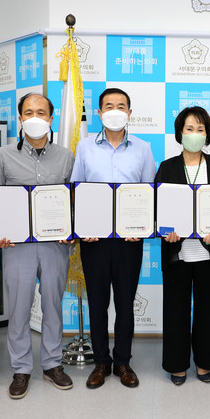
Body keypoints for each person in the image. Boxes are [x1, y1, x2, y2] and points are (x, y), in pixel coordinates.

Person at [0, 93, 75, 399]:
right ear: (20, 118)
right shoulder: (3, 155)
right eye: (28, 112)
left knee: (53, 306)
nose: (35, 117)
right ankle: (21, 368)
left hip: (55, 245)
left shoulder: (65, 156)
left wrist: (72, 229)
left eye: (41, 112)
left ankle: (52, 364)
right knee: (19, 308)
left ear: (51, 118)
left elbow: (74, 199)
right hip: (17, 246)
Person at [71, 88, 156, 389]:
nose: (115, 111)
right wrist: (83, 227)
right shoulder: (84, 147)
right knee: (97, 303)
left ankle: (122, 362)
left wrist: (141, 227)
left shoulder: (143, 148)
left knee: (124, 302)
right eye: (109, 106)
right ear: (99, 113)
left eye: (121, 106)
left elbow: (149, 192)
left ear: (130, 113)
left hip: (128, 241)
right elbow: (76, 190)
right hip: (94, 240)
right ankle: (101, 363)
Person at [155, 106, 210, 386]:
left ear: (207, 134)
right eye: (189, 129)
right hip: (178, 252)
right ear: (180, 133)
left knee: (208, 310)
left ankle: (204, 362)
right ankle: (176, 364)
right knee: (176, 309)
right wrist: (166, 232)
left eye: (200, 129)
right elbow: (157, 207)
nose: (195, 134)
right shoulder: (167, 167)